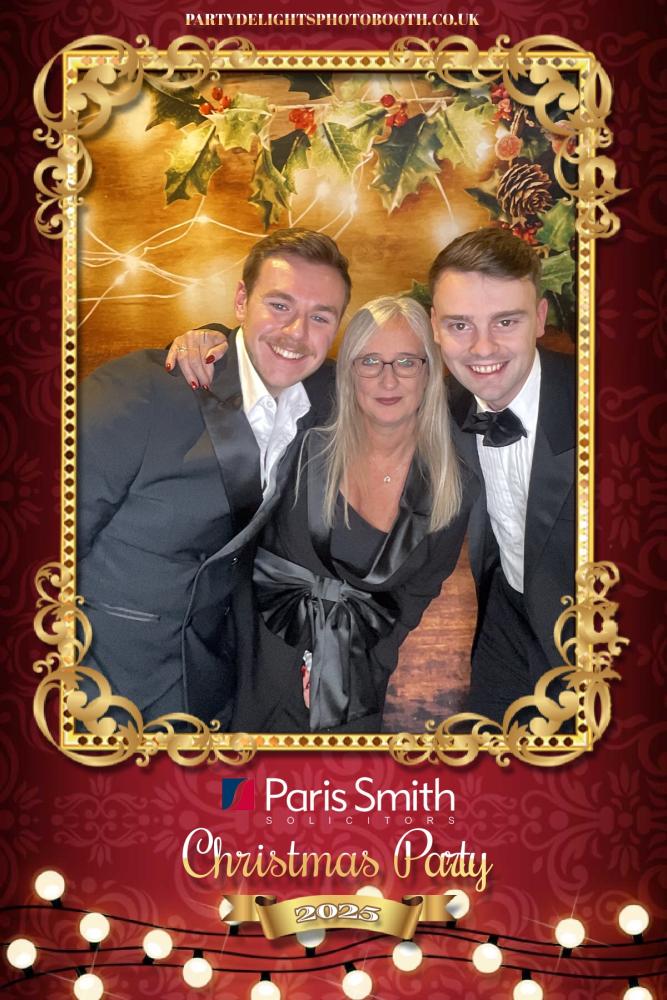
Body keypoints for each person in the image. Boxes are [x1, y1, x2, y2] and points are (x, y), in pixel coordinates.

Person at [76, 228, 349, 725]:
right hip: (101, 678)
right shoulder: (139, 388)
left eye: (320, 317)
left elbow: (397, 379)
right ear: (242, 301)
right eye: (280, 305)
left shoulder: (324, 398)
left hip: (211, 684)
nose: (296, 333)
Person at [226, 296, 475, 732]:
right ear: (348, 372)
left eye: (406, 362)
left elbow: (417, 594)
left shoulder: (454, 487)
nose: (387, 379)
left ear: (430, 372)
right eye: (369, 361)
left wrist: (362, 663)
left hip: (354, 686)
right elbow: (250, 362)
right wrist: (206, 337)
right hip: (254, 669)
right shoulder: (301, 439)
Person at [429, 227, 575, 722]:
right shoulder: (445, 406)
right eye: (460, 325)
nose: (482, 348)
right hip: (507, 629)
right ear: (435, 326)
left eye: (505, 321)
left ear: (540, 318)